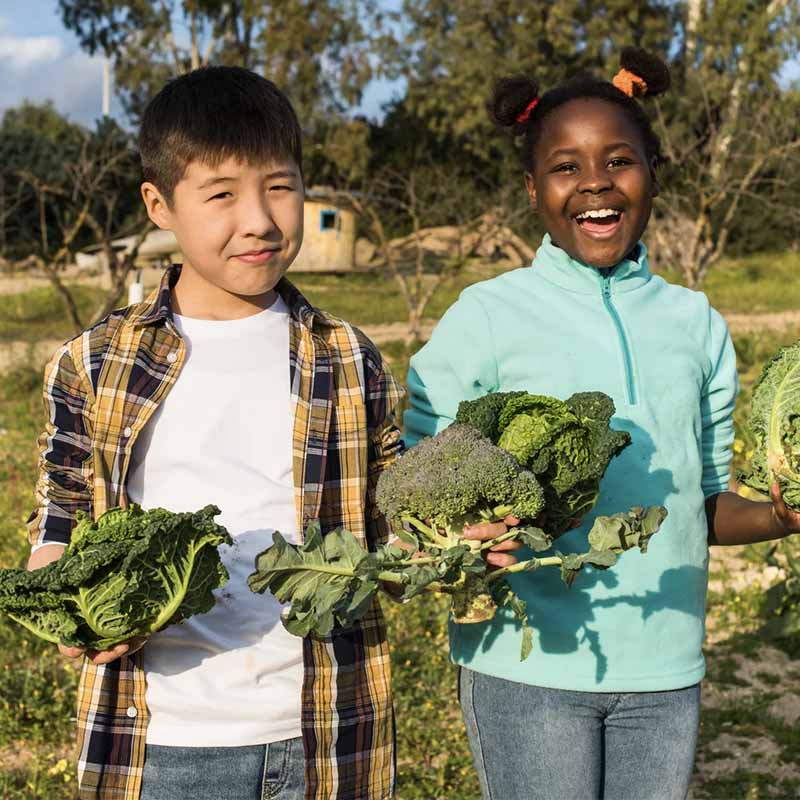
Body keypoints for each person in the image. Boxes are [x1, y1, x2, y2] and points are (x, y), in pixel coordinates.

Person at [403, 48, 800, 800]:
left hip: (666, 666)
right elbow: (420, 468)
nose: (594, 183)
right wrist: (464, 536)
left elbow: (708, 502)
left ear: (653, 171)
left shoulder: (699, 325)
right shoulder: (487, 315)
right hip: (526, 665)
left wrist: (782, 517)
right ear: (531, 188)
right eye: (565, 166)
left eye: (619, 160)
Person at [25, 66, 403, 800]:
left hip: (328, 729)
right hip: (163, 741)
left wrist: (456, 533)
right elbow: (62, 510)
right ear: (159, 204)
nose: (259, 219)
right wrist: (63, 595)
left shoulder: (348, 358)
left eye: (281, 186)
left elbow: (390, 513)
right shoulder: (96, 362)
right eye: (223, 193)